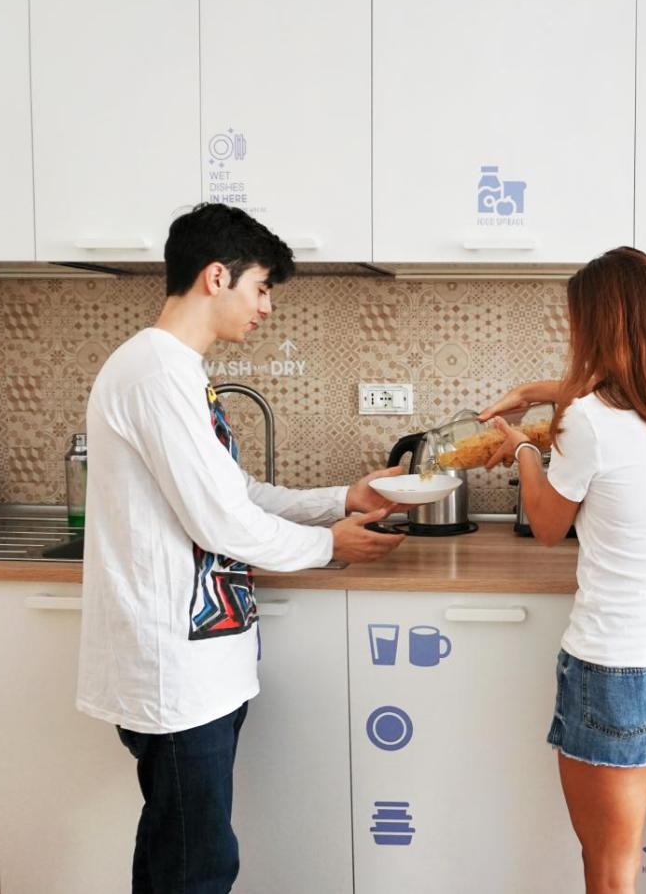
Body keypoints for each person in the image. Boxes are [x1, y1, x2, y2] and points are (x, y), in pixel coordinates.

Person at [75, 202, 407, 894]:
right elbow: (221, 523)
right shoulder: (155, 374)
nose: (266, 307)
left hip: (198, 663)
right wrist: (328, 544)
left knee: (178, 852)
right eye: (261, 287)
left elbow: (237, 492)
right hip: (173, 669)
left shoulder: (176, 371)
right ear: (216, 276)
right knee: (196, 866)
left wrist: (342, 499)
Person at [478, 246, 646, 894]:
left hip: (619, 664)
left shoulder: (587, 422)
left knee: (614, 868)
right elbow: (633, 398)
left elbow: (547, 526)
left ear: (597, 326)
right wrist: (538, 393)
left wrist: (525, 448)